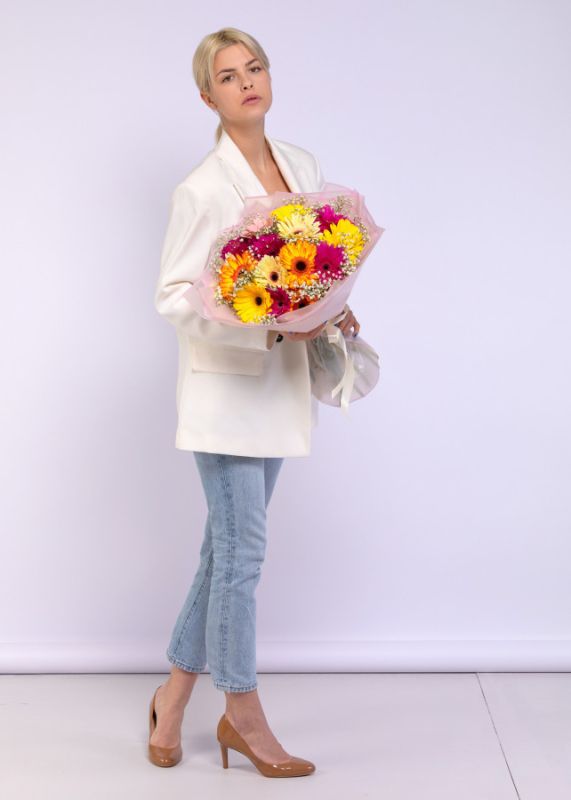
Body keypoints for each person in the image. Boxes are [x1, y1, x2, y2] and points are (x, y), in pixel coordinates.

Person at [150, 27, 360, 778]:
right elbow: (174, 296)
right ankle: (240, 711)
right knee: (243, 552)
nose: (246, 82)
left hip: (280, 384)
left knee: (224, 550)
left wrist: (325, 309)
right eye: (228, 75)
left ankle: (171, 698)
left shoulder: (300, 165)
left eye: (255, 67)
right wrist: (254, 317)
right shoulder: (199, 187)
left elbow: (320, 261)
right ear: (206, 96)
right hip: (227, 388)